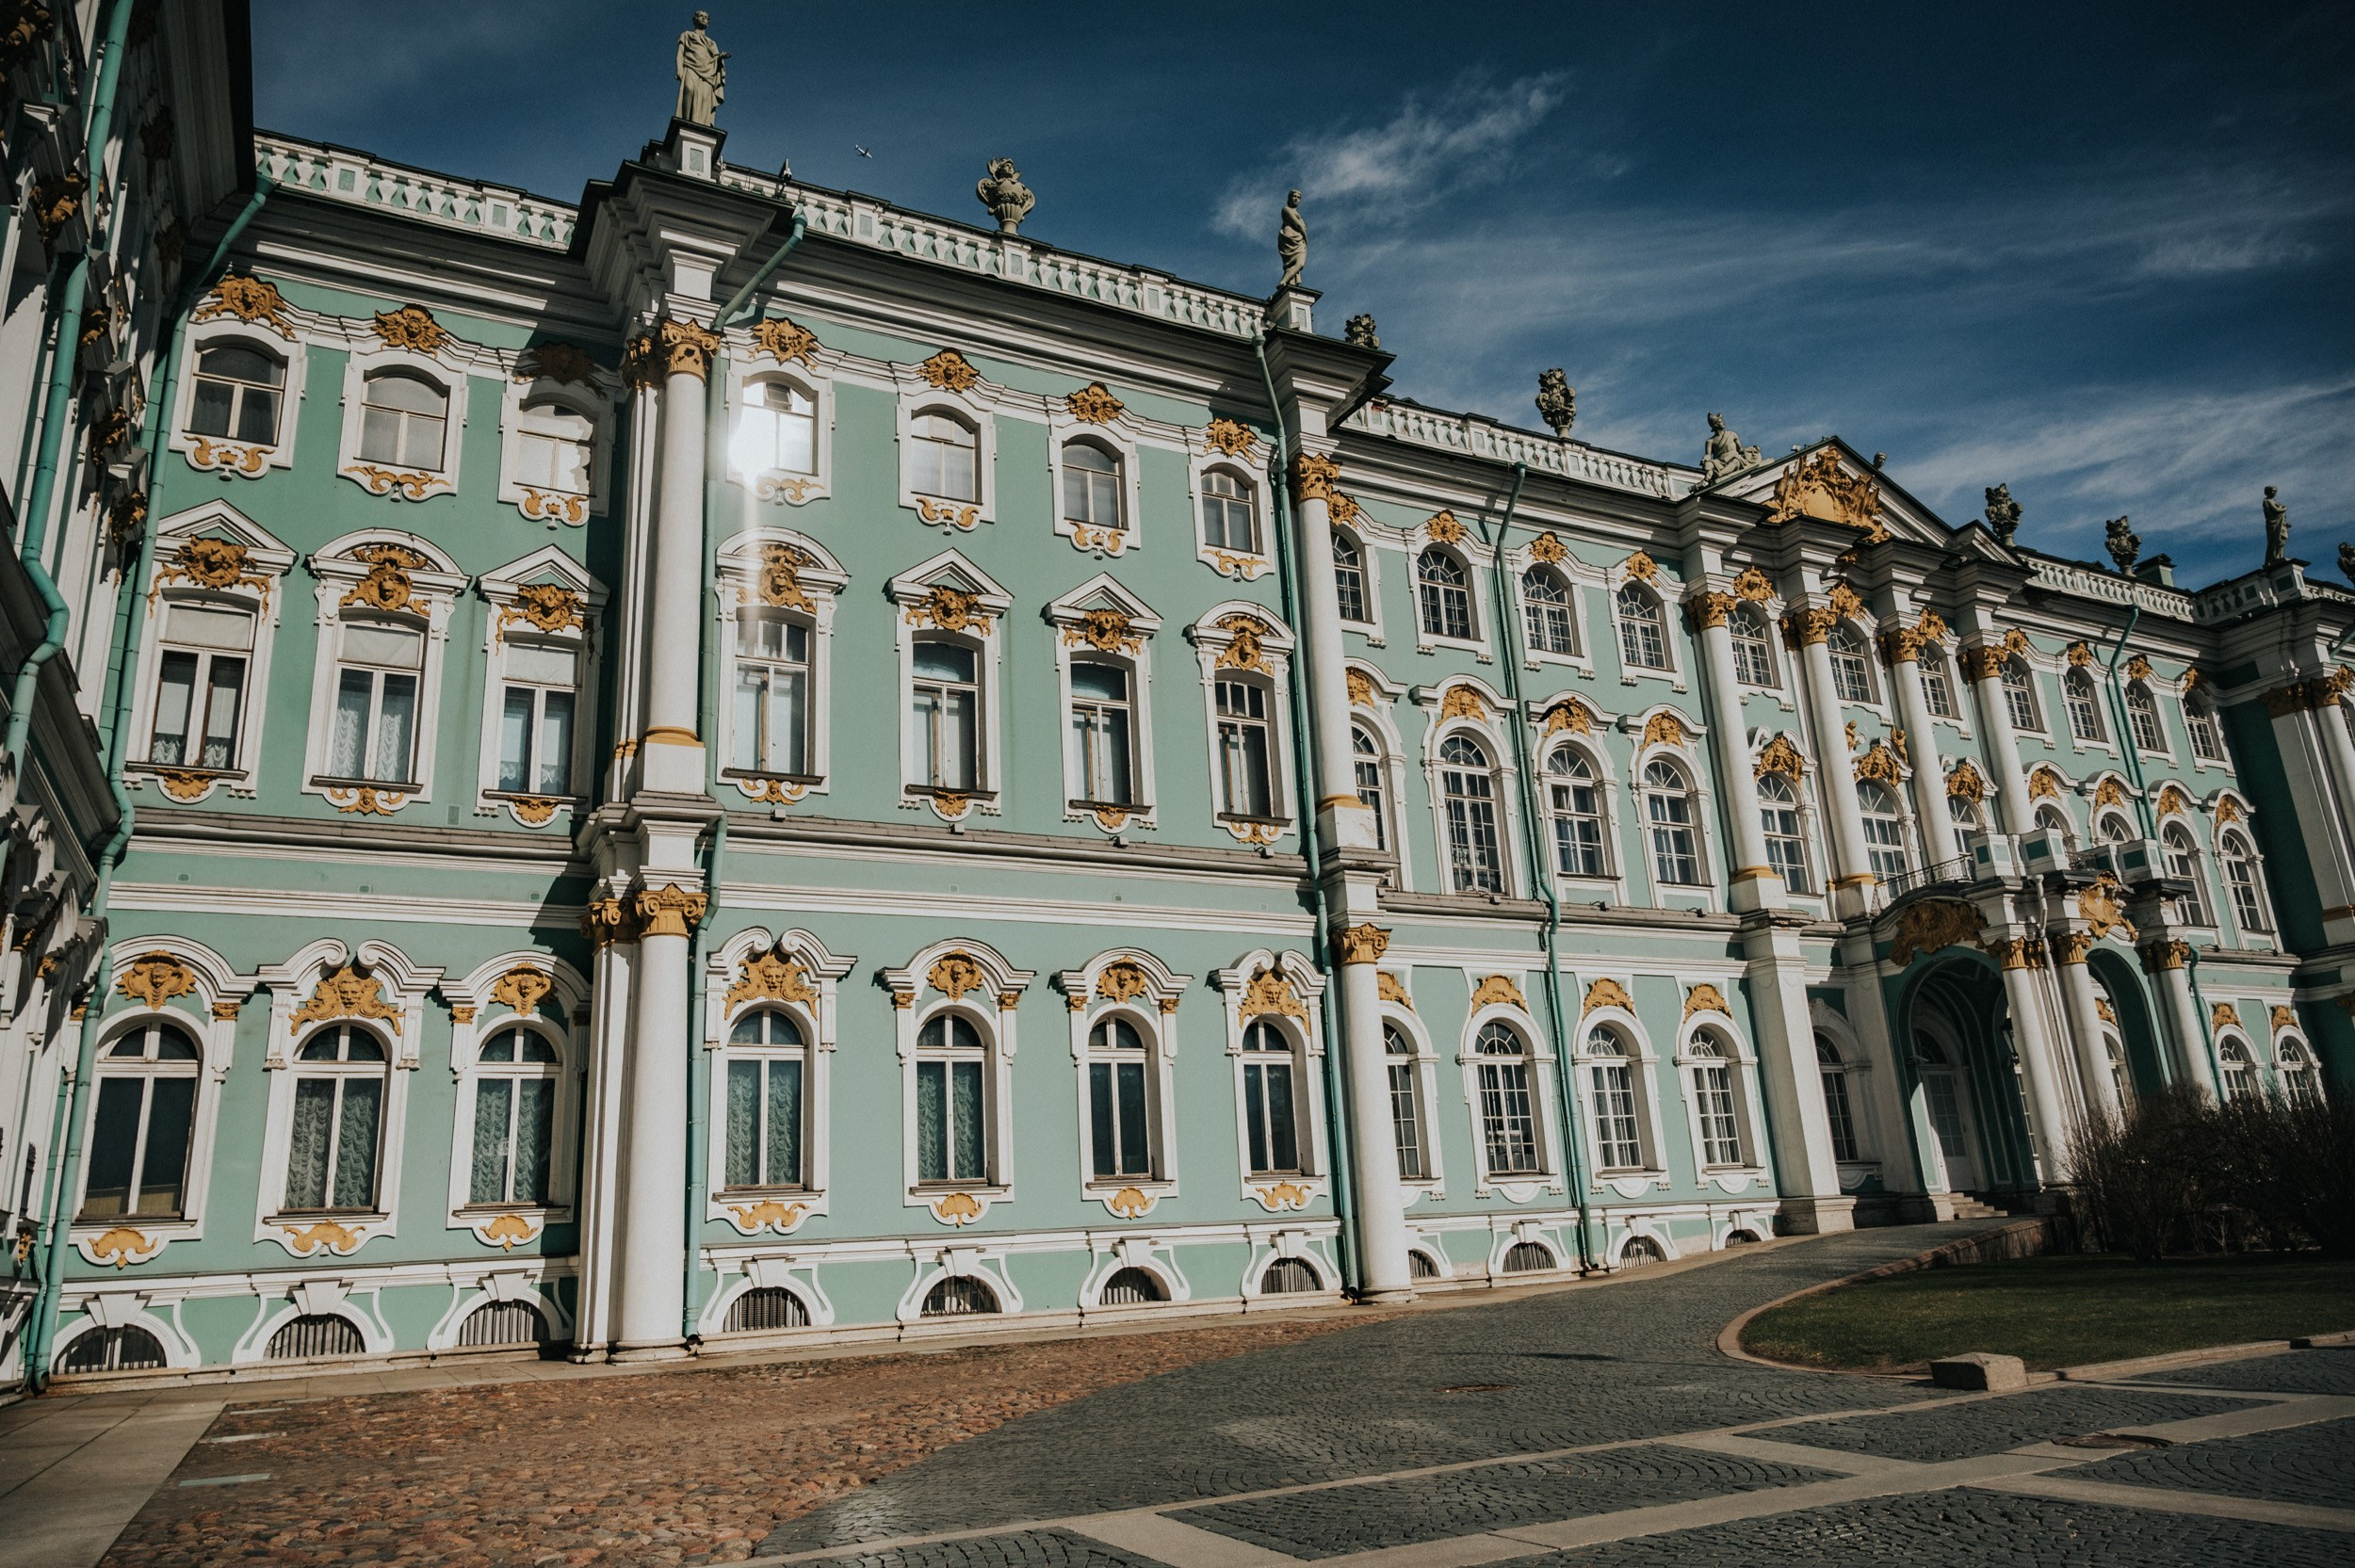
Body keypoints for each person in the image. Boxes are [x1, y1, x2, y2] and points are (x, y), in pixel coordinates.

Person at [675, 11, 726, 127]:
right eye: (701, 16)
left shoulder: (712, 42)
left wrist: (721, 58)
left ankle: (700, 124)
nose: (704, 18)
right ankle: (685, 121)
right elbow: (680, 53)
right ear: (695, 19)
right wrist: (679, 69)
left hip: (709, 72)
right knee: (689, 89)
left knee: (704, 98)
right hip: (690, 66)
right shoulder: (687, 34)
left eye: (706, 17)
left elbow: (715, 58)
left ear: (708, 22)